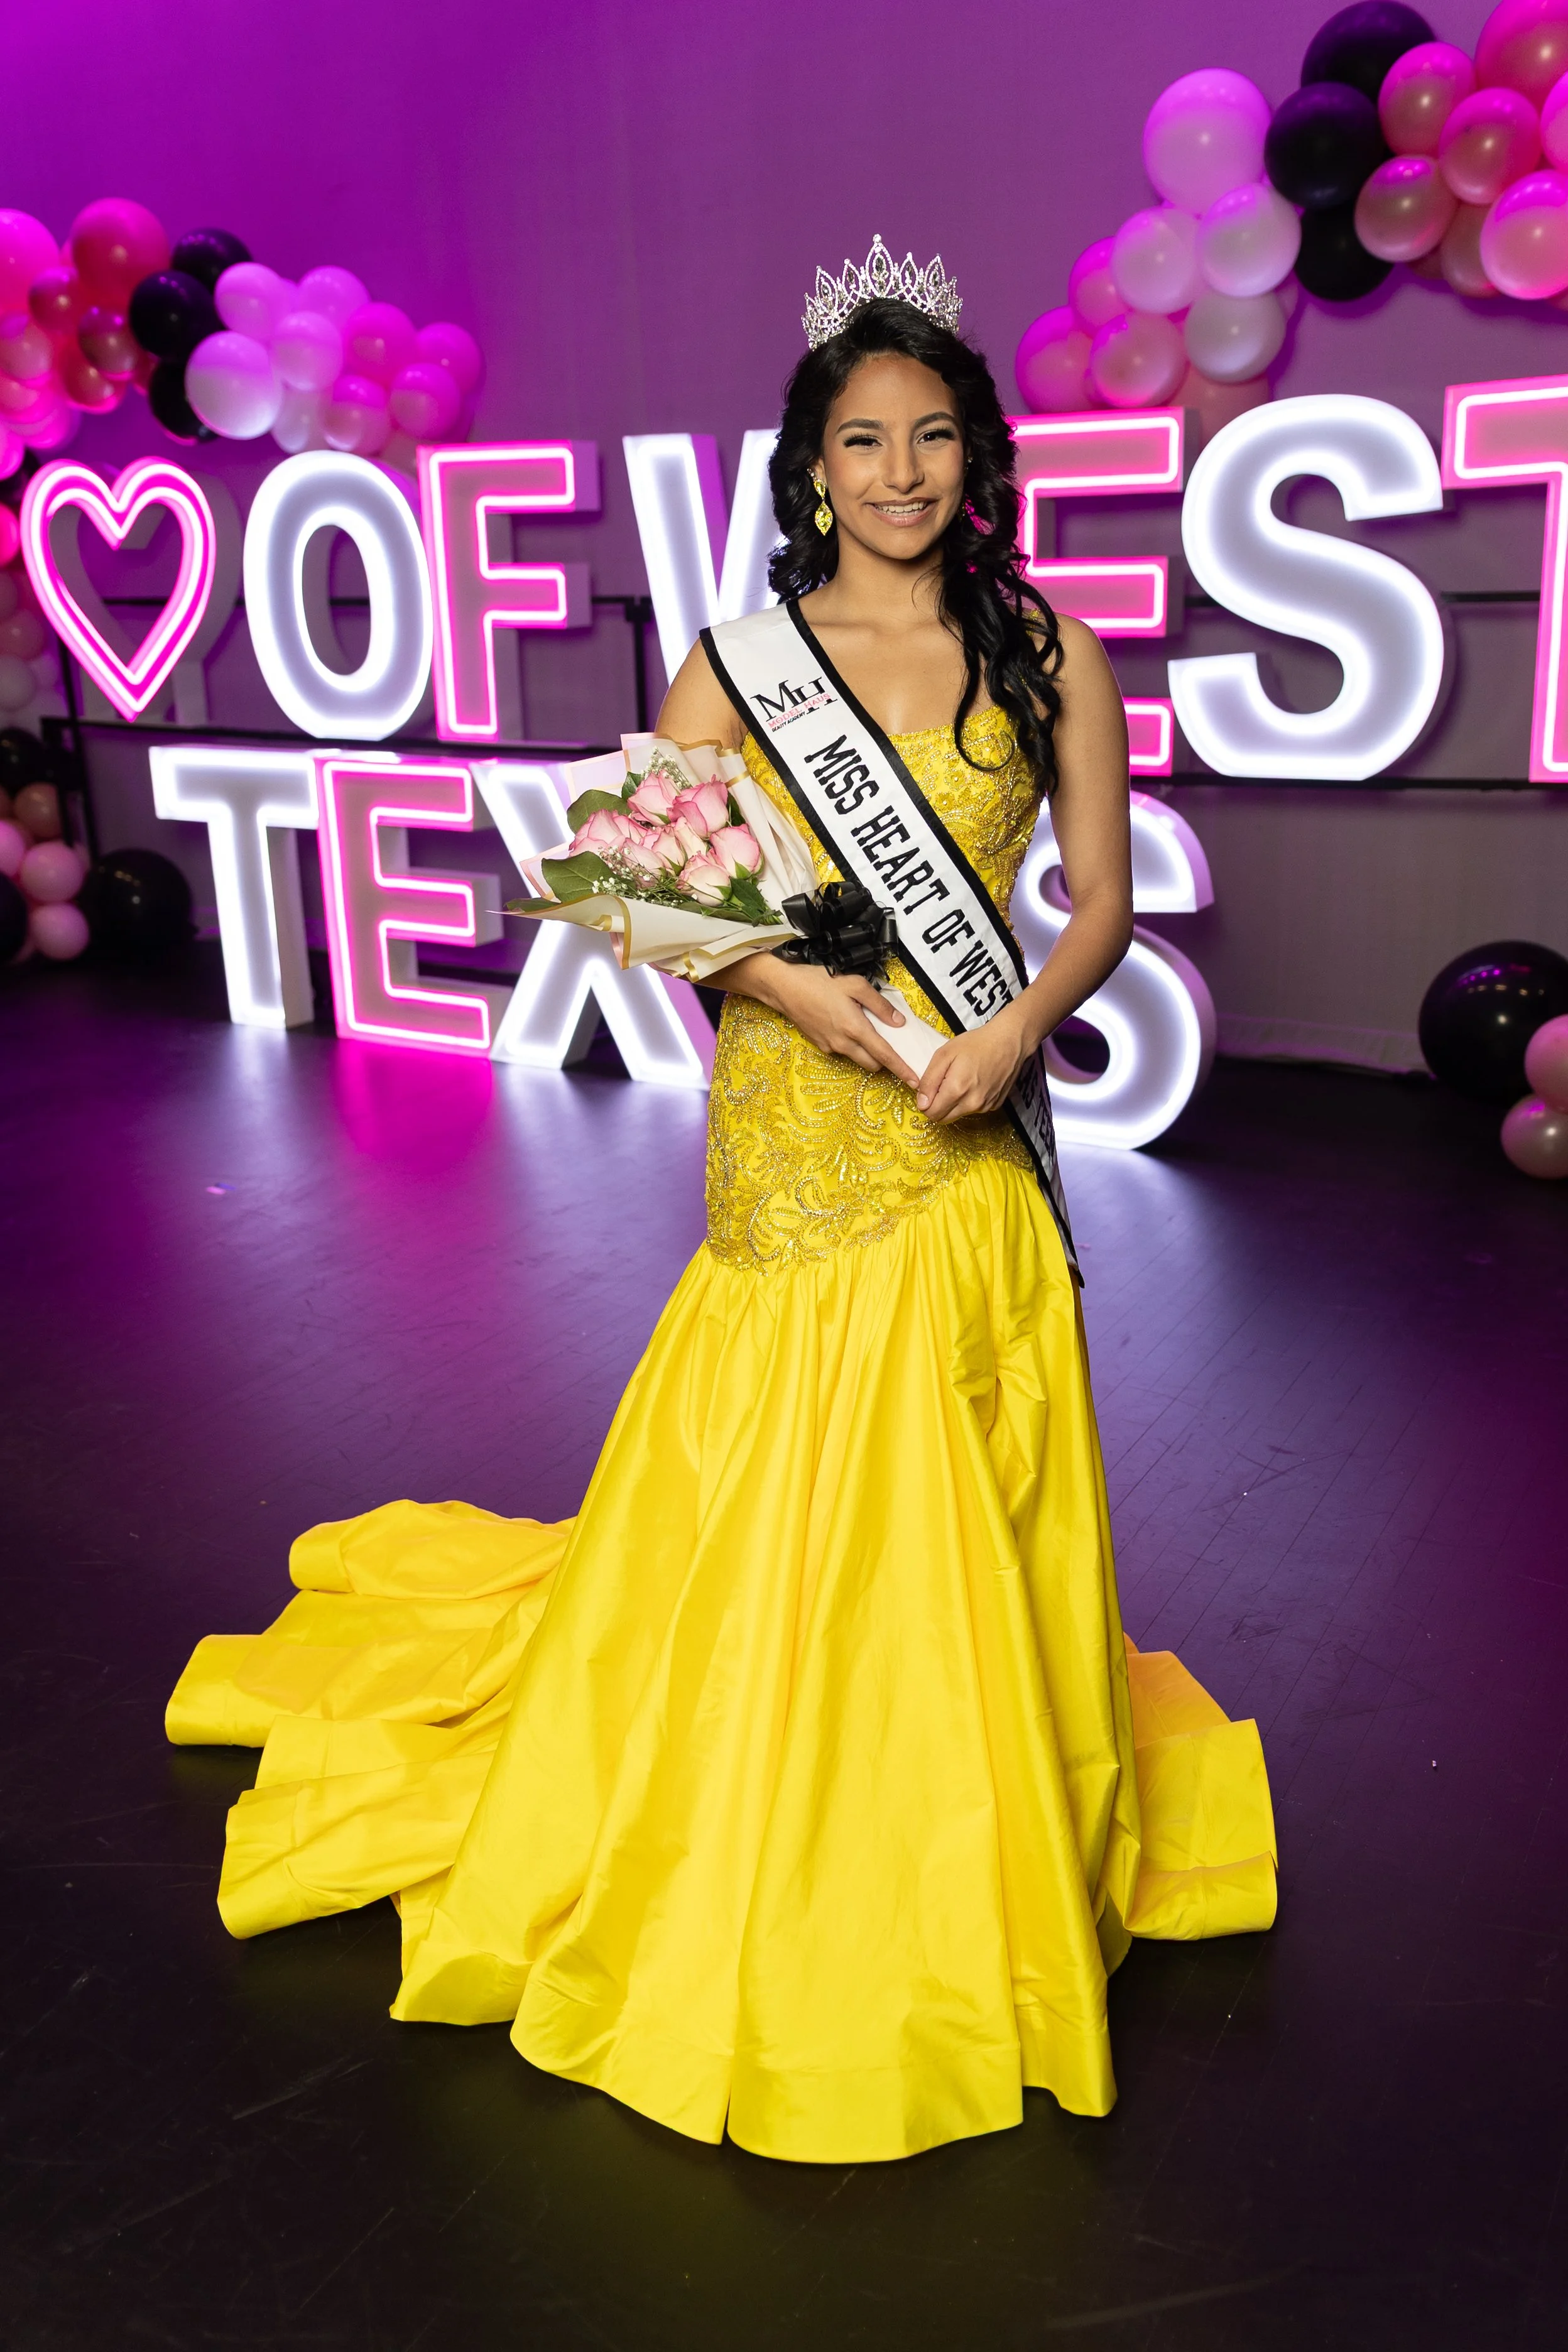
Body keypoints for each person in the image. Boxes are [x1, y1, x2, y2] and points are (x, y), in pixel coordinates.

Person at [168, 239, 1275, 2166]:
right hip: (795, 1099)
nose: (904, 473)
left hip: (964, 1104)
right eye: (867, 440)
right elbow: (634, 883)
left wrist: (1014, 1030)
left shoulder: (1048, 650)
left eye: (935, 436)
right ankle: (752, 1794)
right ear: (815, 462)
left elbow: (1095, 906)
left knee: (954, 1454)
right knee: (782, 1449)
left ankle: (951, 1820)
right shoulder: (736, 657)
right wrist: (790, 993)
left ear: (976, 453)